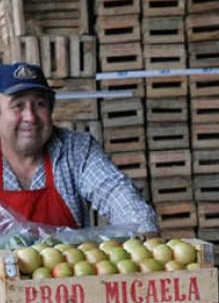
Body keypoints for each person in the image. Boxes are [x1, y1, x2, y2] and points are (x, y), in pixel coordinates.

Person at [0, 62, 158, 231]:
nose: (30, 117)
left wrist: (144, 232)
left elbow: (115, 192)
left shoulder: (77, 150)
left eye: (40, 104)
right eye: (18, 106)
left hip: (68, 257)